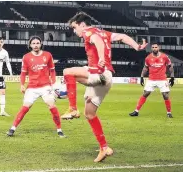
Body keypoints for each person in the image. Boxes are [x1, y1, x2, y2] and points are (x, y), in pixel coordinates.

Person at [61, 12, 148, 162]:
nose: (74, 32)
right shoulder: (104, 32)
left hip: (99, 72)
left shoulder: (90, 32)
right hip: (106, 78)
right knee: (89, 114)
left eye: (75, 28)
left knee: (67, 72)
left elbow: (97, 42)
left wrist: (101, 58)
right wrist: (137, 46)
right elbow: (121, 36)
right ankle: (104, 148)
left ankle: (72, 108)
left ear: (82, 24)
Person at [6, 36, 65, 138]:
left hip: (46, 86)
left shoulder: (48, 55)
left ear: (41, 44)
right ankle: (12, 128)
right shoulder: (26, 57)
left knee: (51, 105)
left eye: (37, 43)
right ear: (30, 45)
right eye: (33, 43)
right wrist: (22, 85)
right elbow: (23, 73)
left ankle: (59, 130)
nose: (36, 45)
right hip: (32, 87)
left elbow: (52, 70)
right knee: (25, 107)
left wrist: (54, 83)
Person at [129, 42, 174, 118]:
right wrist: (142, 77)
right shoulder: (148, 58)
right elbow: (145, 68)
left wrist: (172, 77)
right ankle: (136, 111)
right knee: (145, 93)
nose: (154, 48)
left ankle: (169, 113)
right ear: (151, 48)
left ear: (158, 48)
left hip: (162, 79)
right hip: (151, 79)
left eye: (156, 47)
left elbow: (170, 66)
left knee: (165, 96)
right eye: (153, 47)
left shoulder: (164, 57)